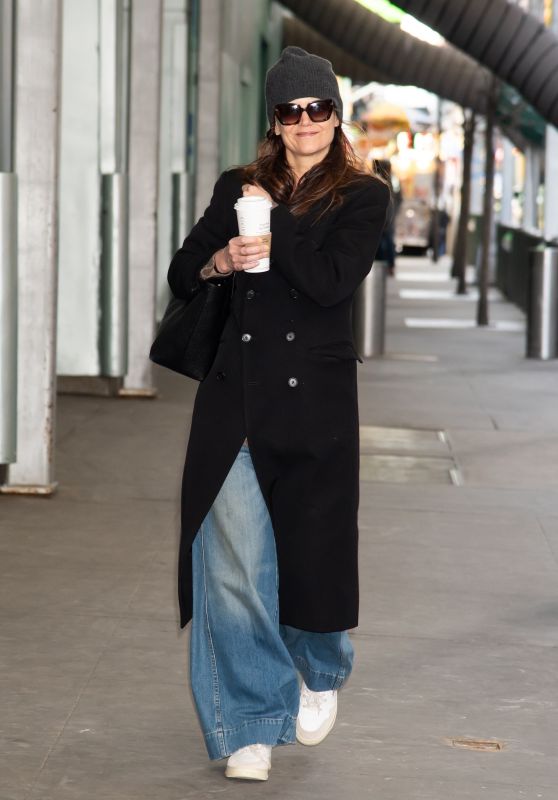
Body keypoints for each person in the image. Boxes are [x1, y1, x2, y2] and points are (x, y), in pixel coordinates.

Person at [167, 46, 390, 782]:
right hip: (235, 399)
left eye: (317, 108)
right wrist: (223, 259)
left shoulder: (363, 194)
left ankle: (320, 670)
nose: (304, 123)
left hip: (316, 405)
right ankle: (252, 724)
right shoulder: (239, 183)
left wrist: (277, 224)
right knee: (234, 565)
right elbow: (183, 270)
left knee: (311, 565)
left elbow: (330, 284)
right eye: (291, 111)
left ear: (335, 112)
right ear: (275, 119)